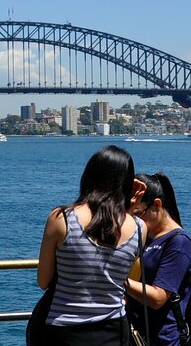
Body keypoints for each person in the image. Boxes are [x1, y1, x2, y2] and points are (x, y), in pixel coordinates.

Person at [36, 145, 146, 345]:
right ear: (128, 183)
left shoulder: (61, 218)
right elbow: (120, 277)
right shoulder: (139, 227)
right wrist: (127, 209)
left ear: (89, 176)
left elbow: (43, 281)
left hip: (64, 330)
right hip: (114, 330)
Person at [126, 172, 191, 345]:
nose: (134, 221)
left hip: (163, 339)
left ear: (157, 205)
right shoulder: (145, 235)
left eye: (138, 215)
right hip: (135, 333)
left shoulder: (179, 242)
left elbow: (158, 298)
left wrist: (117, 280)